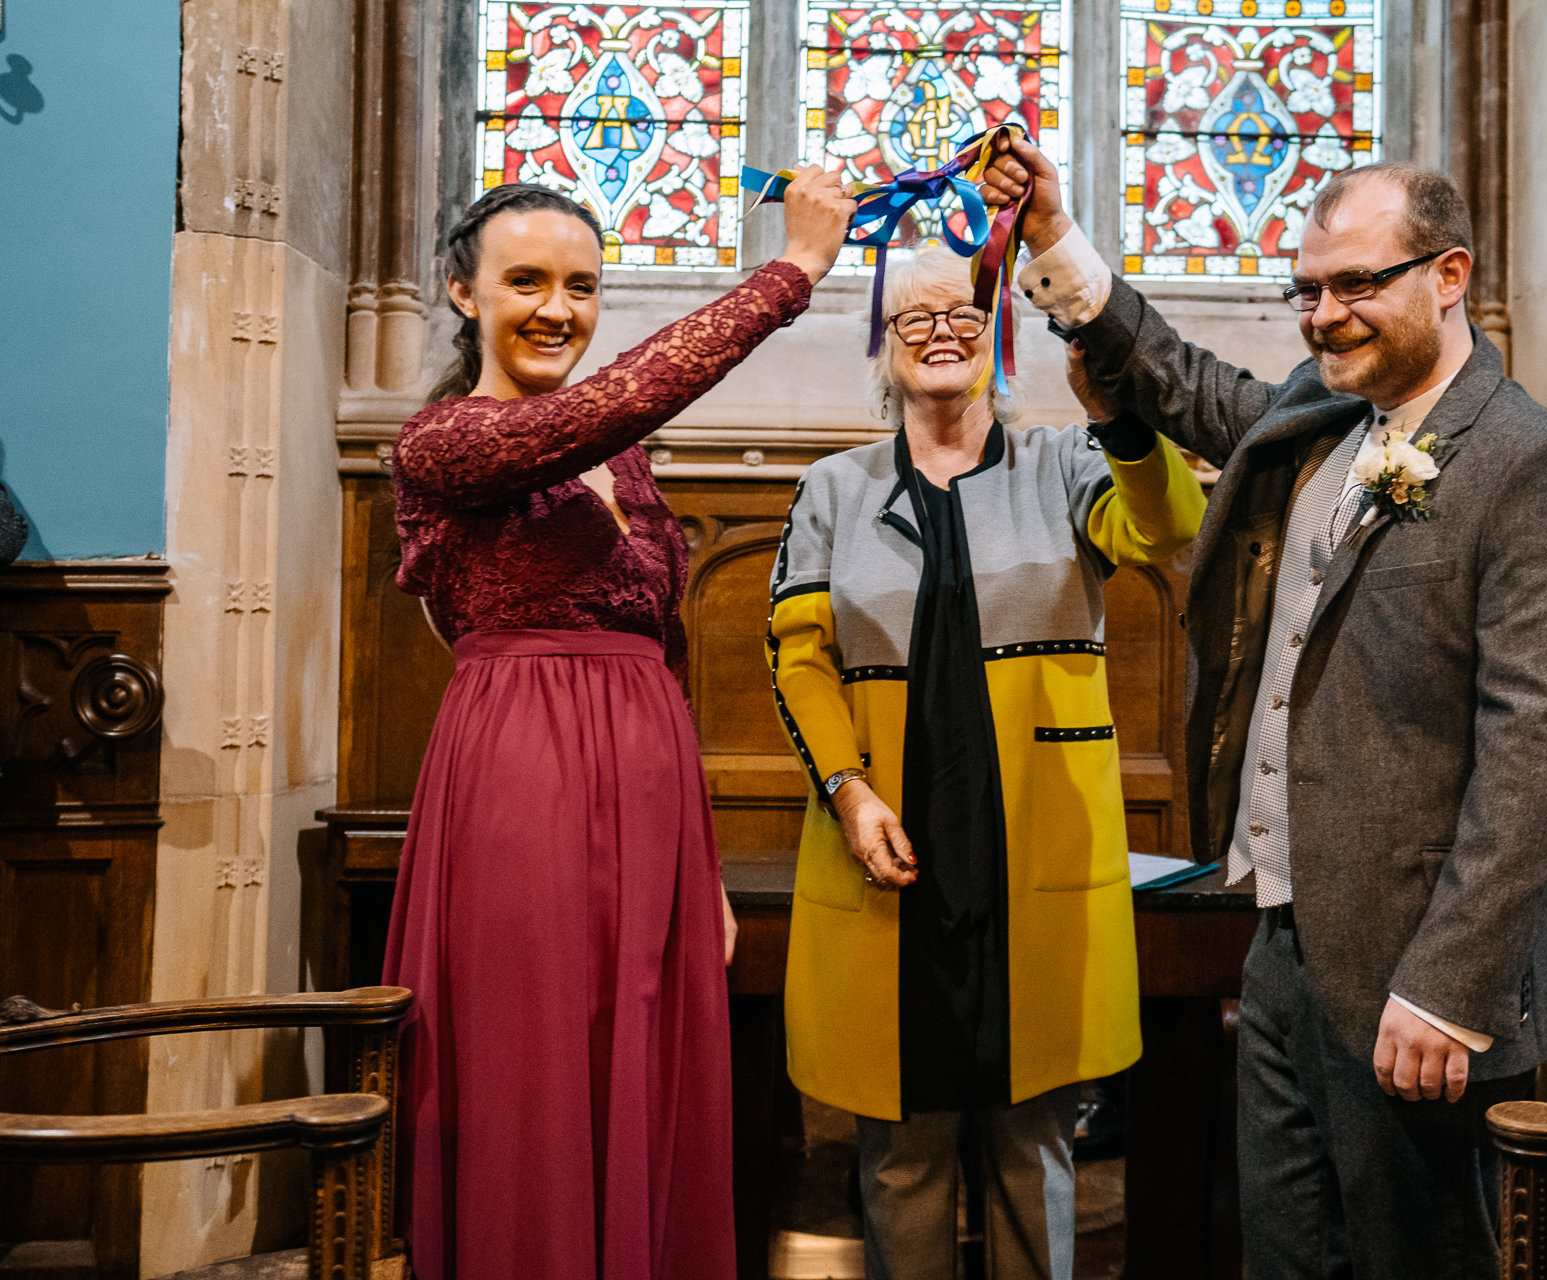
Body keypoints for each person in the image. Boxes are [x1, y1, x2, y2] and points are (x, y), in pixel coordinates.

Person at [978, 143, 1547, 1277]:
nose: (1325, 316)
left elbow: (1539, 752)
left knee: (1413, 1257)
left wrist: (1449, 987)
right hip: (1278, 935)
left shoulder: (1537, 468)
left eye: (1358, 284)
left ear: (1449, 273)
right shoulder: (1319, 420)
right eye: (1310, 291)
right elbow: (1180, 378)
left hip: (1417, 967)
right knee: (1286, 1253)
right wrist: (1051, 240)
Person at [381, 172, 855, 1280]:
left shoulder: (621, 457)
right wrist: (791, 274)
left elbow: (669, 648)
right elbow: (611, 401)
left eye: (583, 286)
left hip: (650, 790)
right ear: (463, 292)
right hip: (520, 778)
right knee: (534, 1064)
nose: (558, 308)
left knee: (645, 1060)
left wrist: (703, 863)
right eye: (526, 282)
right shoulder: (441, 442)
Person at [766, 241, 1206, 1280]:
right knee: (902, 1162)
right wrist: (848, 788)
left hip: (1033, 871)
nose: (941, 333)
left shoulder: (1064, 465)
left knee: (1030, 1150)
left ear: (998, 334)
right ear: (885, 345)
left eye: (964, 314)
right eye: (914, 318)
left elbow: (1171, 526)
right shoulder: (833, 489)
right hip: (892, 863)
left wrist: (1121, 418)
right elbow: (797, 657)